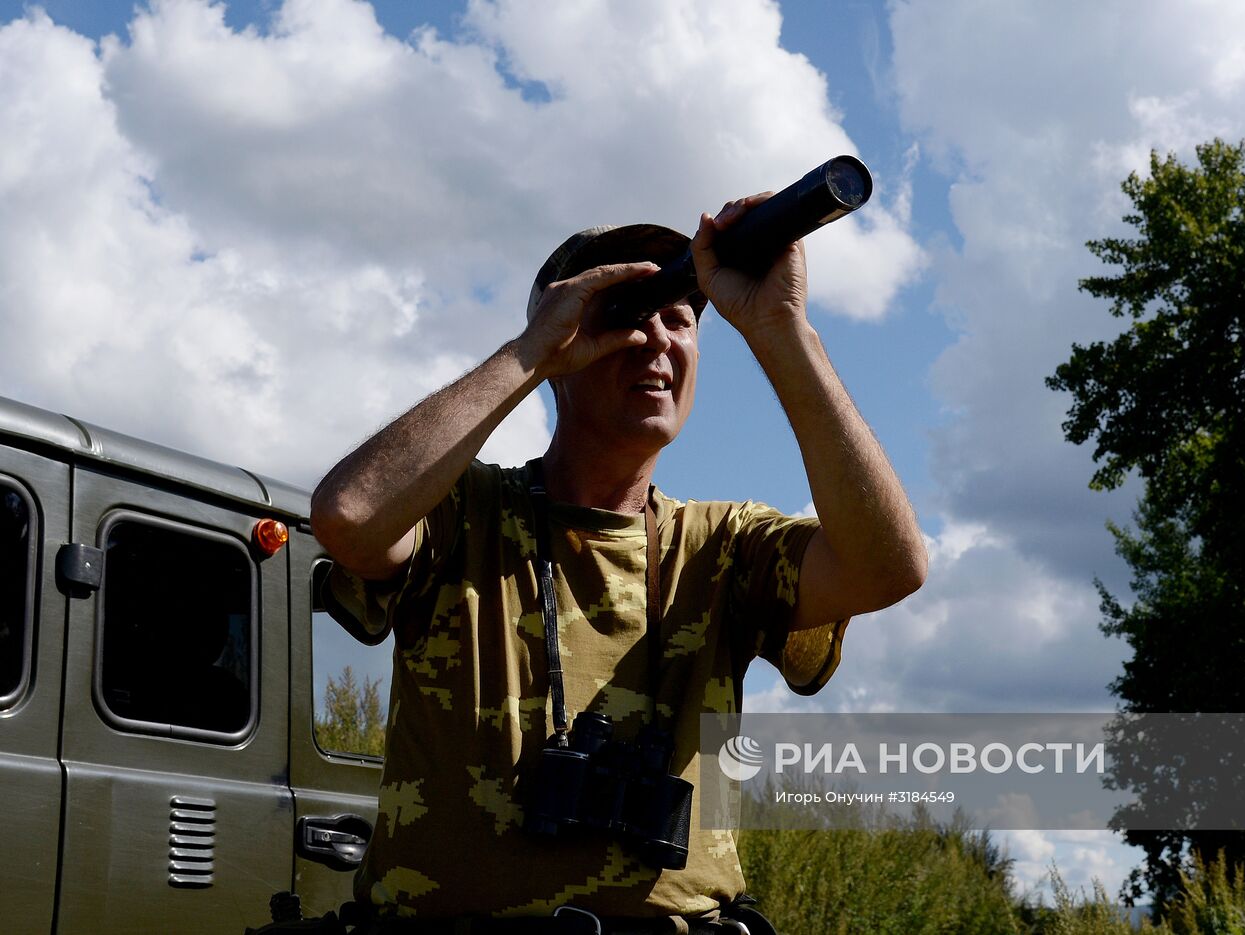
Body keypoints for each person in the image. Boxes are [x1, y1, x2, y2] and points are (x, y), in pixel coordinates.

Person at [310, 194, 928, 933]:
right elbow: (349, 515)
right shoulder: (461, 515)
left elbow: (890, 566)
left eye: (680, 317)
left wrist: (782, 330)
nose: (657, 338)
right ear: (561, 335)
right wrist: (527, 356)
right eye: (628, 311)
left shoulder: (724, 545)